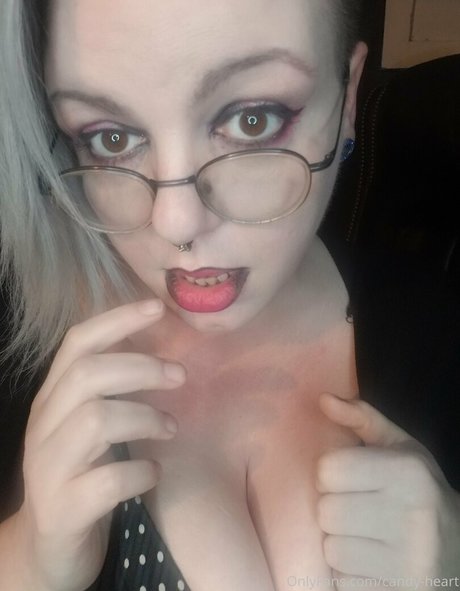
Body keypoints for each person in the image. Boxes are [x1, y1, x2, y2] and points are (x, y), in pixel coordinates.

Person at [0, 1, 459, 590]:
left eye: (252, 122)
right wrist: (30, 560)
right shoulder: (17, 339)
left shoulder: (440, 333)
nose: (176, 222)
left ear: (348, 100)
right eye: (111, 138)